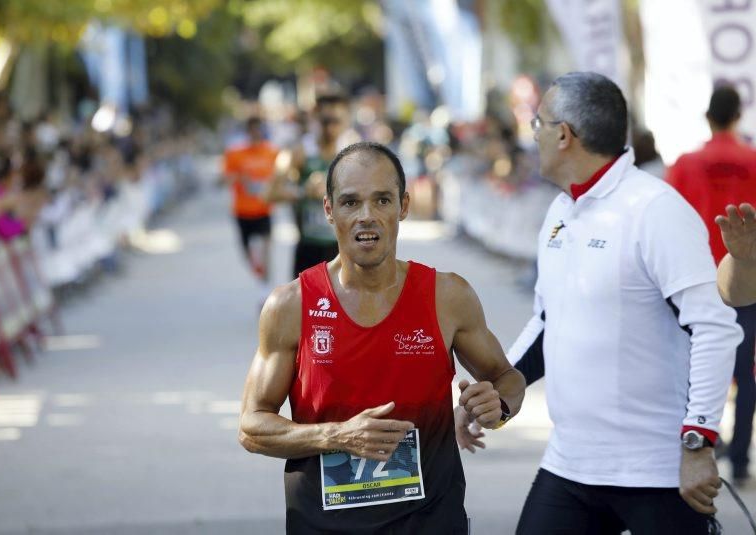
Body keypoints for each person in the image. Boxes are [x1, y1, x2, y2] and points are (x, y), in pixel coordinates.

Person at [457, 72, 742, 534]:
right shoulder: (561, 210)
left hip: (658, 473)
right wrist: (496, 390)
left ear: (564, 135)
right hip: (571, 466)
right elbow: (549, 322)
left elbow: (714, 327)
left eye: (539, 124)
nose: (533, 136)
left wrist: (699, 443)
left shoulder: (655, 210)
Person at [239, 141, 525, 533]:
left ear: (403, 206)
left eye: (382, 200)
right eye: (351, 203)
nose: (367, 217)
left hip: (429, 521)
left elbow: (507, 378)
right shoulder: (290, 306)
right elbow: (252, 427)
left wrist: (499, 408)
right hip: (324, 524)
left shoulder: (447, 296)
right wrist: (338, 436)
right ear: (329, 210)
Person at [667, 86, 756, 488]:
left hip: (696, 281)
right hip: (747, 280)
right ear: (738, 117)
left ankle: (696, 441)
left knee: (695, 368)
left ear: (708, 117)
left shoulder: (687, 164)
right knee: (747, 373)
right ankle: (739, 459)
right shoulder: (752, 161)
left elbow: (665, 220)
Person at [268, 93, 357, 278]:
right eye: (325, 121)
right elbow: (270, 193)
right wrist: (303, 191)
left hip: (344, 248)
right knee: (303, 305)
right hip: (309, 246)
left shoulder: (355, 152)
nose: (331, 128)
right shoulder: (298, 151)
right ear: (315, 119)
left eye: (336, 120)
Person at [222, 116, 277, 289]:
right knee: (248, 255)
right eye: (252, 130)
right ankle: (258, 272)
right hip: (242, 211)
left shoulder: (272, 152)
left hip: (263, 210)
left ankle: (266, 289)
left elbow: (280, 178)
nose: (255, 133)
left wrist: (271, 187)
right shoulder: (235, 154)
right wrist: (240, 178)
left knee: (266, 250)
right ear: (247, 132)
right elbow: (224, 180)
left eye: (258, 129)